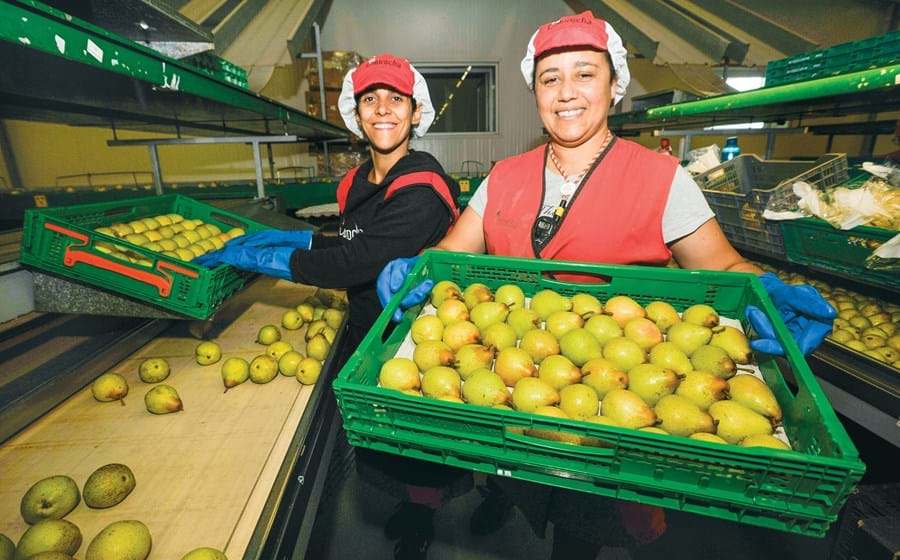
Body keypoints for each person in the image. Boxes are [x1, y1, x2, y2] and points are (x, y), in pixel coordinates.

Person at [376, 12, 836, 559]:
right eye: (551, 79)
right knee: (515, 470)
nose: (566, 93)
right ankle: (505, 495)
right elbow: (453, 253)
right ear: (535, 92)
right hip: (515, 374)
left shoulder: (661, 178)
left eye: (584, 74)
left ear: (614, 85)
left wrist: (767, 289)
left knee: (584, 521)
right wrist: (416, 265)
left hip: (611, 392)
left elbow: (720, 265)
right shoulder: (505, 176)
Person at [196, 54, 468, 560]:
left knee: (422, 443)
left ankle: (423, 518)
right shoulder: (354, 181)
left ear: (415, 113)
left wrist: (276, 258)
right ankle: (413, 505)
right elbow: (346, 240)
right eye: (370, 99)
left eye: (396, 99)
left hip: (416, 336)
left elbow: (357, 261)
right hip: (367, 327)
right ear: (356, 112)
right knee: (387, 434)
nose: (382, 109)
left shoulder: (423, 187)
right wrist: (298, 237)